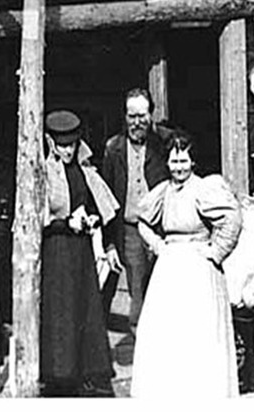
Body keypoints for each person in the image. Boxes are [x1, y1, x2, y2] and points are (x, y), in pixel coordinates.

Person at [130, 132, 242, 398]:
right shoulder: (164, 190)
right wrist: (157, 245)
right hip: (169, 267)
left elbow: (232, 217)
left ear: (193, 162)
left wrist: (216, 250)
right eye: (173, 161)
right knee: (168, 333)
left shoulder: (204, 188)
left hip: (198, 267)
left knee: (198, 333)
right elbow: (141, 219)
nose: (178, 167)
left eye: (183, 161)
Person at [40, 110, 119, 397]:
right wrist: (65, 223)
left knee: (85, 309)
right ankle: (59, 374)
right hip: (57, 250)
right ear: (52, 143)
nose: (69, 150)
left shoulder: (84, 170)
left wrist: (92, 220)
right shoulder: (43, 171)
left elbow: (99, 202)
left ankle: (87, 372)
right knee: (61, 312)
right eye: (63, 145)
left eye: (72, 144)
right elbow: (38, 217)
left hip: (82, 250)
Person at [100, 88, 169, 334]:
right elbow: (105, 201)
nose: (136, 122)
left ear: (151, 115)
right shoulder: (113, 148)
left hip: (161, 229)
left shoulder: (164, 144)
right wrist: (109, 244)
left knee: (165, 285)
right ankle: (140, 339)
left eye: (142, 115)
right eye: (131, 116)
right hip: (130, 230)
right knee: (137, 287)